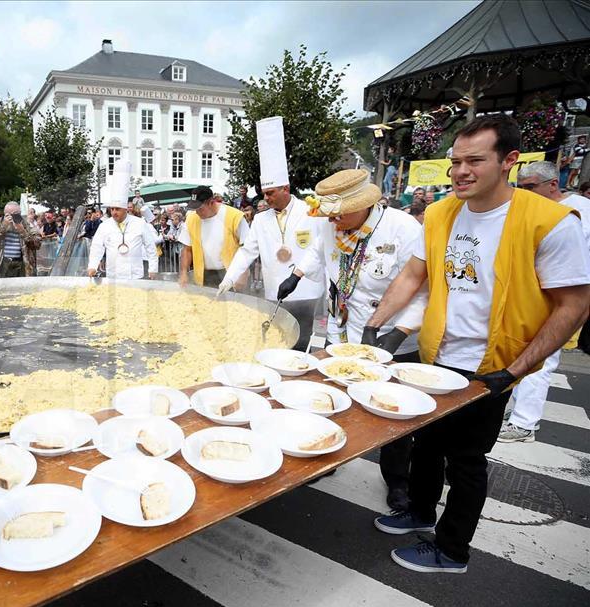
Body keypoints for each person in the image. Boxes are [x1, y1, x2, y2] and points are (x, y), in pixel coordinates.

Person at [365, 114, 590, 573]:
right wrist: (375, 325)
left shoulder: (549, 222)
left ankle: (451, 551)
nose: (460, 172)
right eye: (455, 162)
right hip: (435, 358)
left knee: (466, 461)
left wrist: (515, 370)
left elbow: (574, 305)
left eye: (474, 161)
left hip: (493, 364)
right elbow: (414, 274)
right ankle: (420, 512)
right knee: (424, 444)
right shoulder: (441, 212)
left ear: (509, 160)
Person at [278, 168, 428, 510]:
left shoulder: (403, 229)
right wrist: (296, 276)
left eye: (338, 215)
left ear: (365, 206)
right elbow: (318, 250)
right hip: (342, 330)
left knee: (395, 415)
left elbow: (423, 290)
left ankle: (397, 480)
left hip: (390, 337)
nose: (331, 223)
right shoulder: (329, 223)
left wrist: (400, 331)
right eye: (328, 216)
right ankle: (331, 457)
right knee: (335, 403)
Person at [497, 161, 590, 442]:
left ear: (552, 184)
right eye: (521, 187)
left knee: (542, 360)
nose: (525, 192)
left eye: (531, 186)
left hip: (560, 298)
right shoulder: (525, 209)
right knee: (513, 355)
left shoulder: (579, 211)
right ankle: (509, 408)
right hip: (524, 297)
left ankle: (524, 423)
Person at [219, 117, 326, 348]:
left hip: (305, 289)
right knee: (277, 340)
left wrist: (302, 275)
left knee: (300, 342)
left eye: (271, 193)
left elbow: (320, 248)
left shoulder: (310, 211)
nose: (266, 198)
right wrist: (229, 279)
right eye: (264, 193)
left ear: (286, 188)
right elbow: (247, 252)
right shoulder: (260, 219)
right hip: (274, 290)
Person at [88, 160, 157, 280]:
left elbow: (150, 247)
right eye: (112, 209)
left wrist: (153, 269)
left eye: (118, 209)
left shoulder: (139, 223)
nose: (114, 212)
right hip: (113, 275)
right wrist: (92, 266)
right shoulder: (104, 226)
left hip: (135, 275)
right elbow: (97, 247)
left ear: (125, 209)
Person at [178, 185, 247, 288]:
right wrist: (183, 272)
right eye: (194, 209)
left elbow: (246, 248)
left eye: (200, 208)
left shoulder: (234, 216)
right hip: (203, 276)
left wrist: (242, 273)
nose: (196, 212)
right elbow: (187, 249)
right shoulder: (191, 218)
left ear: (211, 202)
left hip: (230, 274)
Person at [0, 202, 41, 278]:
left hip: (22, 264)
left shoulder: (27, 225)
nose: (13, 217)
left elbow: (37, 245)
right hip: (3, 263)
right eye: (9, 214)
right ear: (5, 214)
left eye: (16, 214)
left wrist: (22, 231)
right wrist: (3, 226)